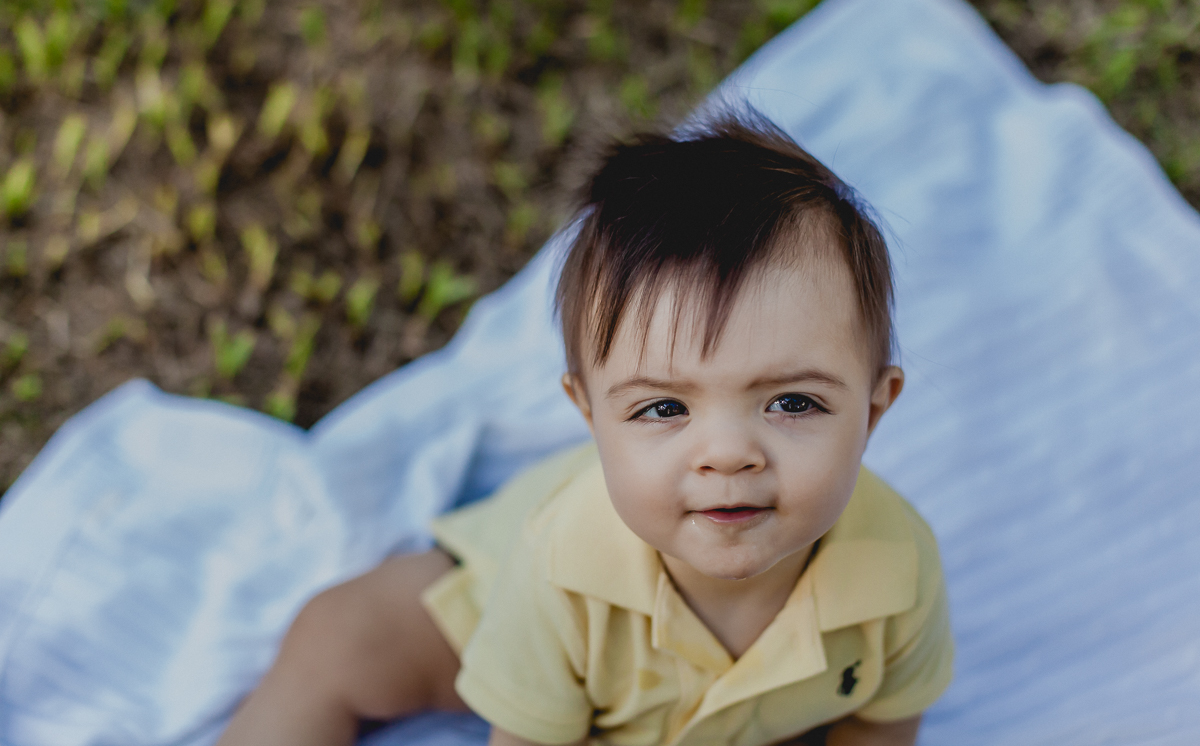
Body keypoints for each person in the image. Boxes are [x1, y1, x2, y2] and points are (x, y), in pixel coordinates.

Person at [216, 112, 954, 746]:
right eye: (663, 408)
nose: (728, 453)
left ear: (873, 410)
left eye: (793, 403)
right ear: (589, 414)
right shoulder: (561, 568)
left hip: (715, 708)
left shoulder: (898, 569)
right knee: (338, 639)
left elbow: (883, 722)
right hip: (502, 619)